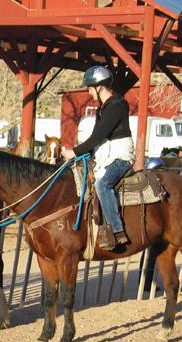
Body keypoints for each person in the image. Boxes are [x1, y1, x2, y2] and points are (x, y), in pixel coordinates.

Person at [61, 65, 135, 250]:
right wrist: (84, 154)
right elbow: (96, 140)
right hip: (105, 155)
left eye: (90, 88)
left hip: (120, 158)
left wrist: (74, 152)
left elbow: (97, 137)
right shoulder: (104, 108)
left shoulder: (116, 106)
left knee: (103, 185)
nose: (88, 91)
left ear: (100, 87)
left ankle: (116, 230)